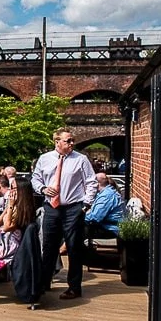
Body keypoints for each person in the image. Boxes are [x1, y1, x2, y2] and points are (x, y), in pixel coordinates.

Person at [32, 128, 98, 300]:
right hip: (51, 208)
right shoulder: (44, 159)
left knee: (74, 248)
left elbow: (91, 182)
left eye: (72, 140)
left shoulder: (81, 159)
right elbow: (35, 179)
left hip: (73, 208)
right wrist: (43, 188)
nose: (71, 143)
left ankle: (74, 288)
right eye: (68, 140)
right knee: (48, 247)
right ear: (57, 142)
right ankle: (44, 282)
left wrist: (85, 205)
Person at [84, 172, 125, 238]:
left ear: (96, 184)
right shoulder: (103, 193)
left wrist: (79, 216)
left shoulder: (107, 196)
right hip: (105, 226)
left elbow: (95, 218)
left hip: (111, 229)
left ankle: (65, 248)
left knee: (75, 231)